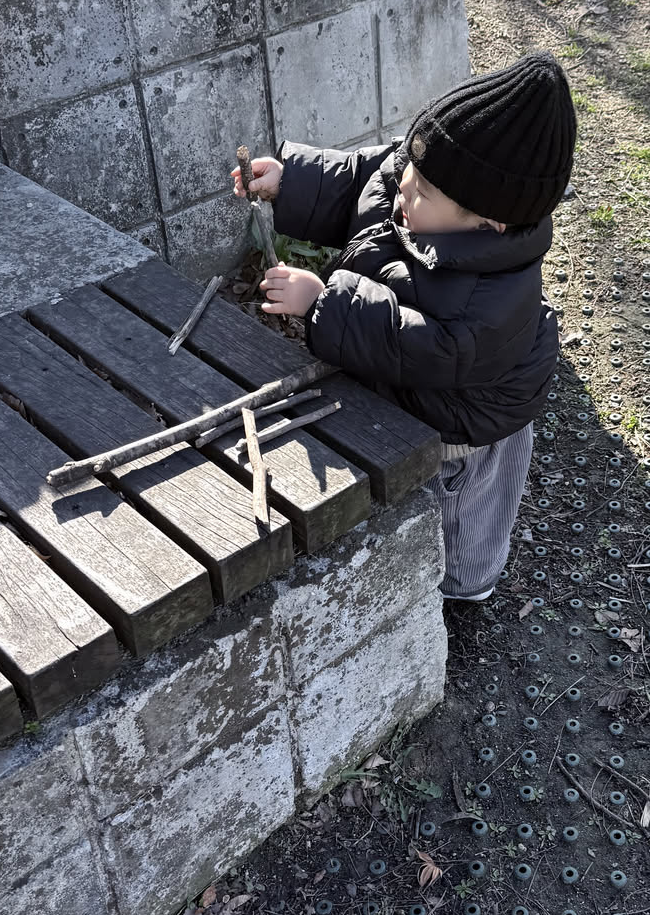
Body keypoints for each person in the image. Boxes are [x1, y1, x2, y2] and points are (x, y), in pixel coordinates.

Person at [231, 52, 575, 602]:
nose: (404, 189)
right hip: (414, 378)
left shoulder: (487, 305)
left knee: (464, 509)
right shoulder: (421, 183)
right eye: (411, 167)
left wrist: (324, 302)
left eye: (423, 191)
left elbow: (416, 345)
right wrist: (291, 182)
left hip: (464, 414)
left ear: (489, 225)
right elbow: (366, 181)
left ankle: (466, 585)